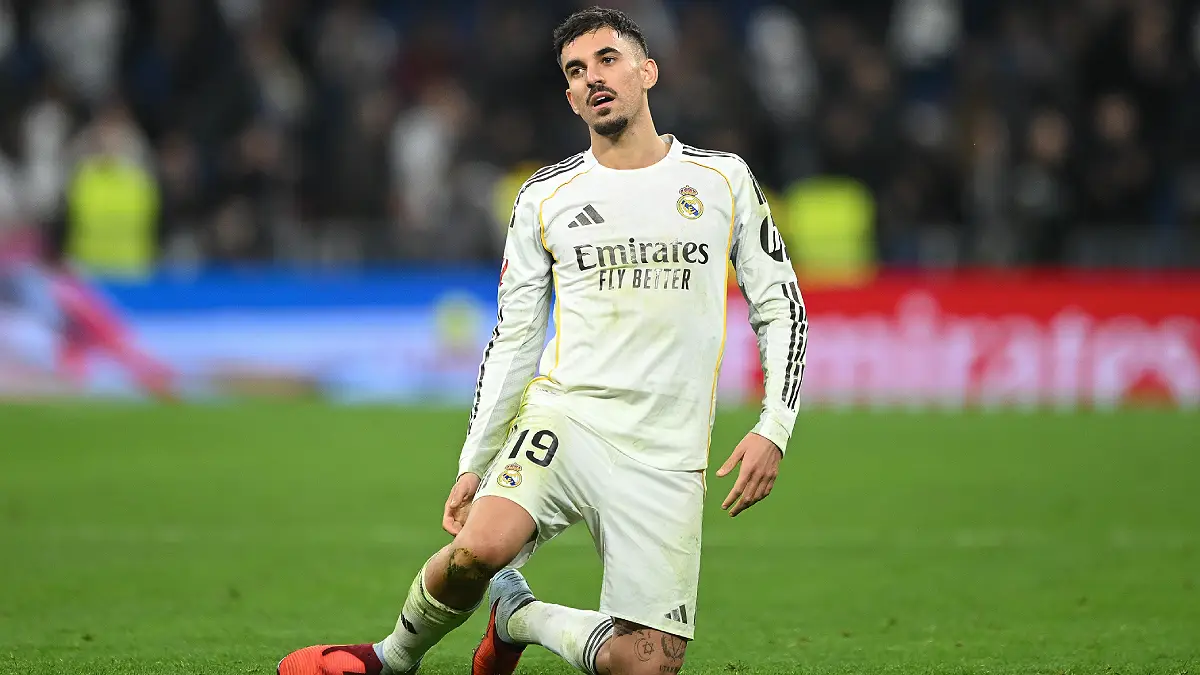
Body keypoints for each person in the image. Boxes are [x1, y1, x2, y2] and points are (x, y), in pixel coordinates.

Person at [278, 7, 808, 675]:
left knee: (645, 664)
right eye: (576, 71)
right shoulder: (546, 196)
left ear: (648, 71)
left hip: (667, 454)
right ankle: (390, 657)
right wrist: (475, 459)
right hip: (570, 417)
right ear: (569, 95)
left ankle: (516, 615)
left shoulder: (721, 180)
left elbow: (781, 304)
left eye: (608, 60)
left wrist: (774, 426)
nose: (594, 79)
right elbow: (515, 335)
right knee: (479, 548)